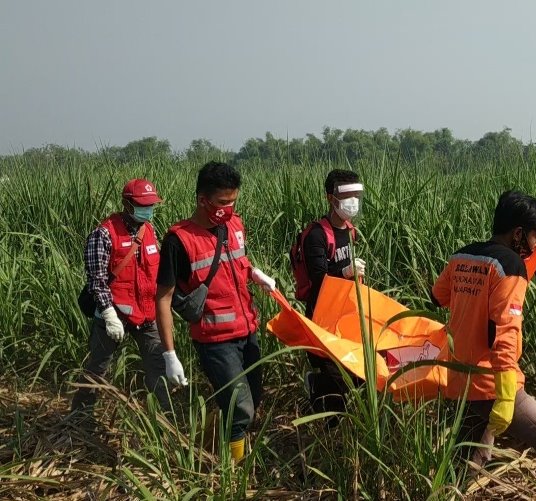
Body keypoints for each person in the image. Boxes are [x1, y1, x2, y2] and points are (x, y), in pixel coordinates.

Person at [432, 191, 536, 501]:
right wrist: (505, 395)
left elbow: (439, 296)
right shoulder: (511, 266)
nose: (535, 244)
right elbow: (505, 332)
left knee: (468, 459)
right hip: (494, 383)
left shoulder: (462, 256)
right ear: (518, 233)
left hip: (461, 378)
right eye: (534, 237)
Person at [154, 161, 276, 462]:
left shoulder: (234, 225)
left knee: (253, 399)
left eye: (233, 201)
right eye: (223, 202)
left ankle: (211, 444)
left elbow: (238, 263)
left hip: (247, 330)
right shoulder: (179, 240)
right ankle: (234, 473)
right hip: (215, 340)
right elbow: (163, 298)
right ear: (202, 199)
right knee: (240, 409)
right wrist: (169, 355)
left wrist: (255, 273)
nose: (229, 208)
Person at [71, 178, 169, 417]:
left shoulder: (149, 231)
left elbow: (154, 273)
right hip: (114, 313)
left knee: (159, 366)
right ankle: (80, 417)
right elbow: (97, 280)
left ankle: (164, 422)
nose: (148, 209)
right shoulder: (103, 234)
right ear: (126, 204)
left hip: (146, 313)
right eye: (142, 205)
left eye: (151, 204)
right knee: (98, 367)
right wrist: (108, 314)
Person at [296, 169, 365, 417]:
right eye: (347, 196)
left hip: (345, 315)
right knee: (336, 383)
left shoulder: (349, 230)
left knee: (358, 373)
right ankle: (319, 394)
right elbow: (318, 279)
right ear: (330, 198)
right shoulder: (316, 235)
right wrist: (345, 272)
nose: (353, 201)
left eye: (356, 195)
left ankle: (319, 389)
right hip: (321, 317)